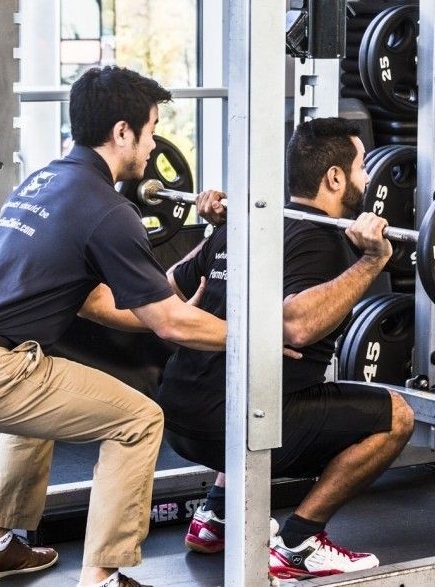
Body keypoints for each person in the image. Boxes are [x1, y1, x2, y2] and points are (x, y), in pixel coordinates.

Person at [0, 66, 228, 587]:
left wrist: (171, 304)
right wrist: (255, 338)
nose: (153, 147)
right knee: (139, 420)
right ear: (122, 132)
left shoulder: (44, 181)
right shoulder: (108, 208)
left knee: (43, 391)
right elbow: (170, 325)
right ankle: (102, 577)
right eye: (150, 130)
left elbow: (96, 302)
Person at [157, 117, 416, 580]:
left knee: (259, 387)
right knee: (398, 416)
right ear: (334, 177)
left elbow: (167, 286)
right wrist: (373, 259)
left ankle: (216, 516)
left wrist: (216, 234)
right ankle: (300, 543)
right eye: (361, 167)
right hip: (227, 425)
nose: (366, 179)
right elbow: (296, 326)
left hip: (177, 414)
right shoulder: (323, 239)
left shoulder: (246, 225)